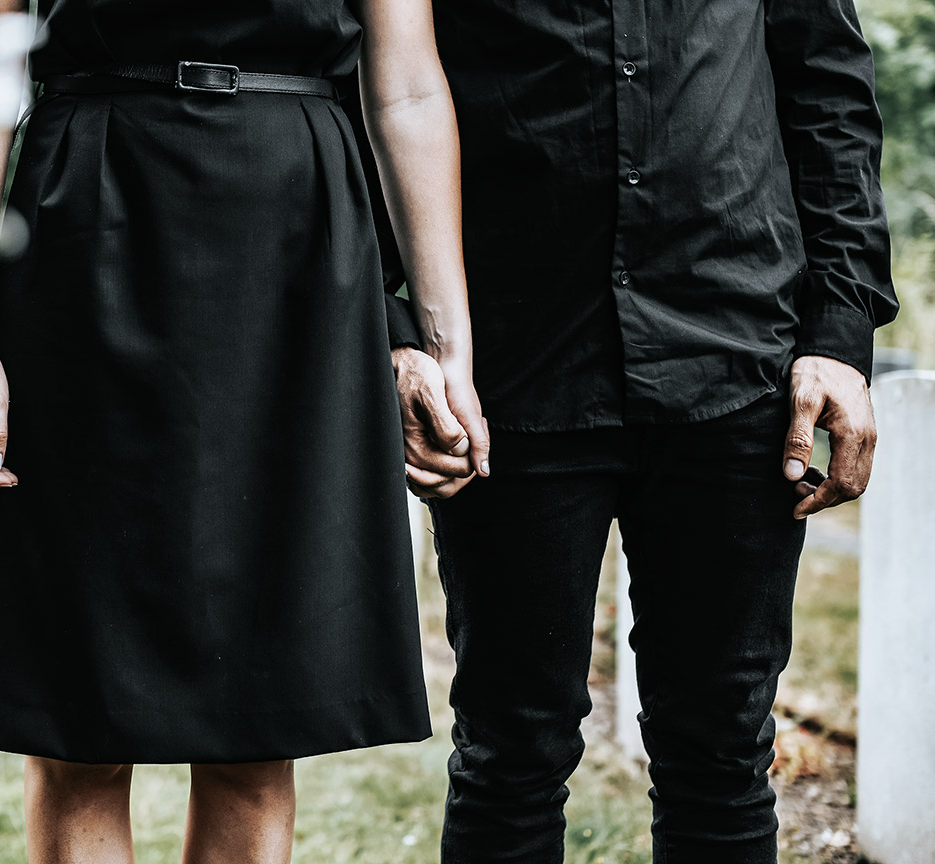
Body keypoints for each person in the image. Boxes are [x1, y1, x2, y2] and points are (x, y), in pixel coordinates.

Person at [0, 0, 484, 861]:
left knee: (259, 721)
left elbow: (407, 87)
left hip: (296, 242)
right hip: (89, 226)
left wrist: (443, 347)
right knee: (79, 720)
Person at [383, 0, 900, 860]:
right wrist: (398, 331)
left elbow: (830, 92)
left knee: (724, 753)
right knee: (509, 752)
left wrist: (840, 335)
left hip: (738, 363)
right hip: (511, 378)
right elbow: (377, 88)